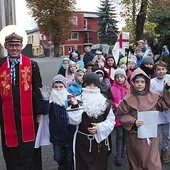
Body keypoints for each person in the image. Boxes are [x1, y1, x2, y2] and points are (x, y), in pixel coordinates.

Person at [0, 31, 43, 169]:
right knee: (11, 148)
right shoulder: (0, 65)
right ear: (6, 46)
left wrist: (39, 113)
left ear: (22, 46)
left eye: (17, 45)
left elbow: (38, 90)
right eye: (11, 45)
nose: (14, 48)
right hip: (6, 115)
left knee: (28, 148)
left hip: (28, 115)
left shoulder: (32, 65)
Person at [117, 67, 170, 170]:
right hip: (135, 137)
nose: (140, 84)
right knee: (138, 163)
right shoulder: (127, 99)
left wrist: (167, 89)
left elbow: (165, 104)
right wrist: (133, 122)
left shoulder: (154, 96)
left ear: (146, 83)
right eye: (137, 82)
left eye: (142, 82)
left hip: (152, 137)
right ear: (132, 83)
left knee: (153, 164)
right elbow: (121, 115)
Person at [67, 72, 115, 170]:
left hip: (100, 143)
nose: (91, 89)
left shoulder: (105, 102)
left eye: (94, 86)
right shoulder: (77, 101)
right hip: (82, 143)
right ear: (83, 85)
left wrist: (99, 127)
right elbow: (73, 121)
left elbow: (111, 121)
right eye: (88, 85)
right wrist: (75, 106)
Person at [40, 75, 74, 170]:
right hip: (56, 134)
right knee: (58, 156)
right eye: (56, 87)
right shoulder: (51, 100)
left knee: (69, 157)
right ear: (53, 87)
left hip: (69, 133)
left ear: (64, 87)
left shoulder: (69, 98)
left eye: (61, 86)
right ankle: (61, 165)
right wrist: (45, 100)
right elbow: (45, 111)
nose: (58, 89)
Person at [150, 61, 170, 164]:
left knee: (167, 134)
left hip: (167, 111)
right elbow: (151, 95)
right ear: (155, 71)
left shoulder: (169, 79)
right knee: (156, 134)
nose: (161, 71)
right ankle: (155, 153)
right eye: (158, 69)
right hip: (157, 111)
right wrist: (164, 91)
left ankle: (165, 151)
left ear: (166, 70)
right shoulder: (152, 82)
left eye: (163, 69)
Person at [110, 68, 129, 166]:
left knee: (125, 134)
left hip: (127, 115)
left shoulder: (128, 88)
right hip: (117, 115)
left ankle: (123, 149)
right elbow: (109, 100)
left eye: (122, 77)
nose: (119, 79)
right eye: (117, 77)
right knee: (119, 135)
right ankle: (118, 155)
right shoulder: (112, 88)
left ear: (125, 78)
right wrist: (114, 104)